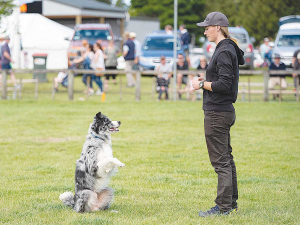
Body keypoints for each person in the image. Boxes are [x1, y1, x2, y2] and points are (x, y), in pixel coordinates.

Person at [192, 11, 245, 217]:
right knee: (226, 159)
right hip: (223, 111)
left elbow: (224, 84)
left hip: (217, 113)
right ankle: (230, 204)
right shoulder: (228, 48)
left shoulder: (224, 51)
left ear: (217, 27)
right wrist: (204, 82)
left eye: (207, 27)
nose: (205, 31)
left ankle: (223, 207)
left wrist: (201, 84)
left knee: (221, 162)